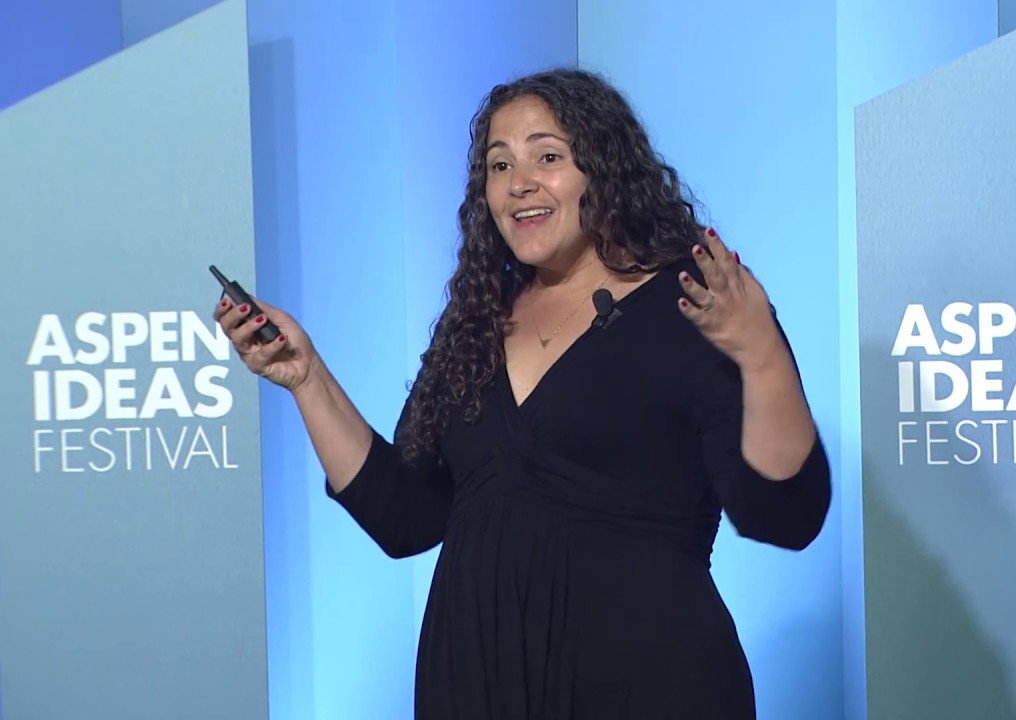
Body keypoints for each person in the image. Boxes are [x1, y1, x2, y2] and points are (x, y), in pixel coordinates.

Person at [215, 67, 831, 719]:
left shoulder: (694, 301)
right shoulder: (478, 321)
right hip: (477, 689)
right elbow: (407, 518)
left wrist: (762, 355)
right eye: (499, 164)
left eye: (548, 157)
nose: (520, 183)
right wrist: (307, 376)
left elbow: (784, 516)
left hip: (649, 684)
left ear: (605, 169)